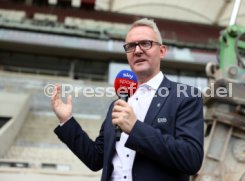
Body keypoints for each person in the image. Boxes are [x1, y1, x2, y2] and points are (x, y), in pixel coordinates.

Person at [52, 18, 204, 181]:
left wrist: (135, 128)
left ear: (162, 51)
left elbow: (191, 159)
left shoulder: (186, 96)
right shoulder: (118, 104)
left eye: (145, 43)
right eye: (131, 46)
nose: (137, 50)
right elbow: (95, 159)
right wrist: (66, 120)